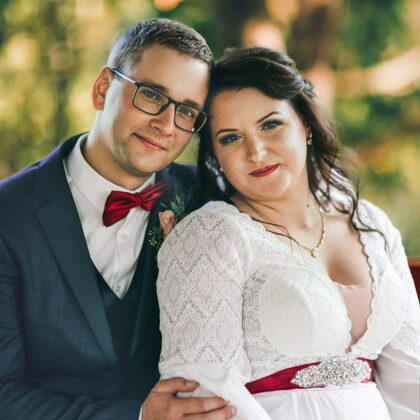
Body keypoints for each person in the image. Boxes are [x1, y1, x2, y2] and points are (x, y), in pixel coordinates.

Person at [156, 47, 420, 419]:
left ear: (305, 124)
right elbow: (207, 389)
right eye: (231, 138)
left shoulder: (371, 224)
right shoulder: (210, 236)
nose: (256, 151)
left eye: (270, 125)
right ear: (214, 156)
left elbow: (411, 377)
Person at [0, 18, 237, 420]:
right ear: (102, 89)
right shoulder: (9, 215)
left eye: (186, 111)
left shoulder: (207, 201)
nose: (166, 124)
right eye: (151, 95)